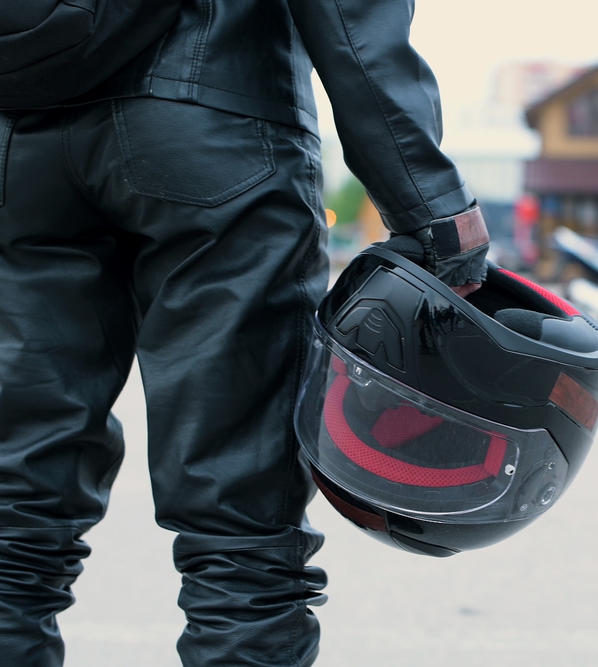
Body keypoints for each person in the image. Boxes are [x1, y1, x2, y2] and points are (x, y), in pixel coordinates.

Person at [0, 1, 487, 665]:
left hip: (20, 142)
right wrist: (430, 205)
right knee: (241, 527)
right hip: (216, 129)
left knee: (13, 515)